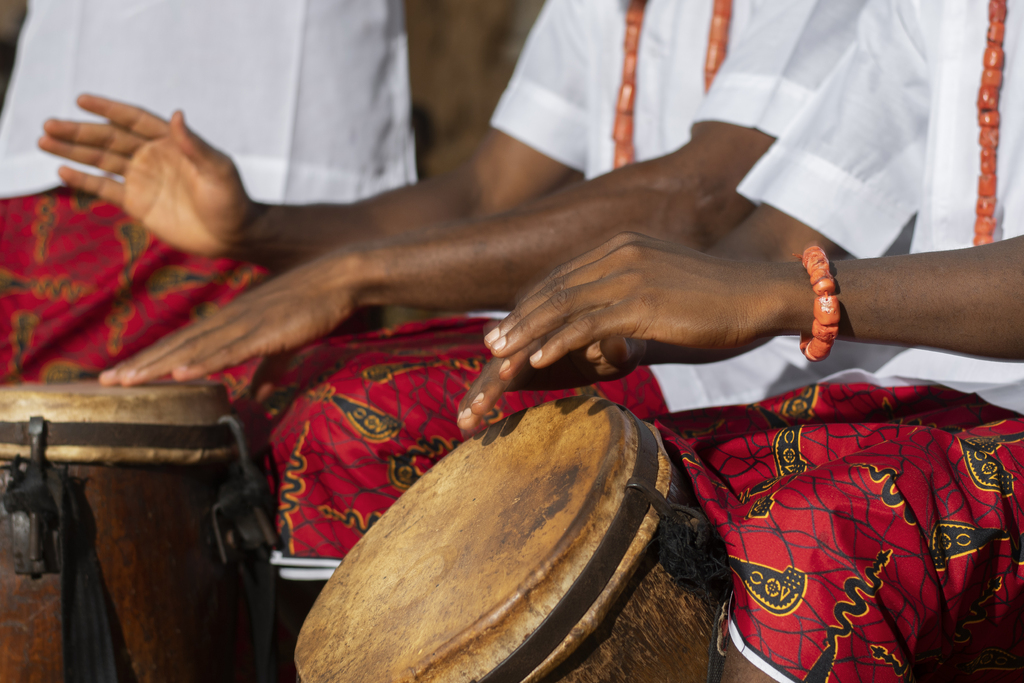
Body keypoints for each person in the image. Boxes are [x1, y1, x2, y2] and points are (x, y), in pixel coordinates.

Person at [40, 0, 880, 567]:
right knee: (269, 390)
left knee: (348, 421)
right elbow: (483, 191)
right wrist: (259, 230)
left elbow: (694, 199)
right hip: (618, 338)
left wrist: (352, 271)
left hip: (746, 361)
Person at [460, 0, 1024, 679]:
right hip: (933, 397)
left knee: (816, 543)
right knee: (602, 485)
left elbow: (710, 206)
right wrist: (635, 329)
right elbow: (794, 225)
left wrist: (780, 294)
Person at [1, 0, 414, 385]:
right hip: (65, 168)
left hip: (294, 162)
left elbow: (474, 198)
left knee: (276, 430)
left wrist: (269, 230)